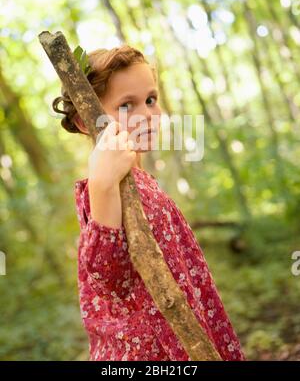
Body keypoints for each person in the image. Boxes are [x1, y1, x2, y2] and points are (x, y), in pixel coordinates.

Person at [52, 44, 246, 361]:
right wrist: (103, 184)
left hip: (183, 328)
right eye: (127, 105)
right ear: (86, 122)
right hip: (152, 349)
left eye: (150, 100)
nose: (147, 115)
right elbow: (107, 276)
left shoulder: (142, 179)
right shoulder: (102, 185)